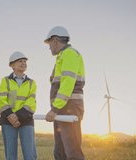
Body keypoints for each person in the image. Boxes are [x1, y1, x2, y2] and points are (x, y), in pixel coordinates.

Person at [44, 26, 85, 160]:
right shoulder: (62, 57)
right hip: (62, 108)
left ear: (55, 41)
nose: (49, 47)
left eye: (49, 44)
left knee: (72, 153)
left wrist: (55, 108)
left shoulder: (69, 54)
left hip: (69, 108)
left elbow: (67, 83)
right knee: (60, 153)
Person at [0, 51, 37, 160]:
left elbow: (31, 102)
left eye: (25, 61)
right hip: (8, 119)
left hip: (26, 119)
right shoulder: (5, 81)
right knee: (11, 155)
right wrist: (11, 116)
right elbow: (1, 100)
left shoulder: (31, 83)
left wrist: (17, 116)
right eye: (20, 61)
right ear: (12, 65)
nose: (23, 63)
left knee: (30, 155)